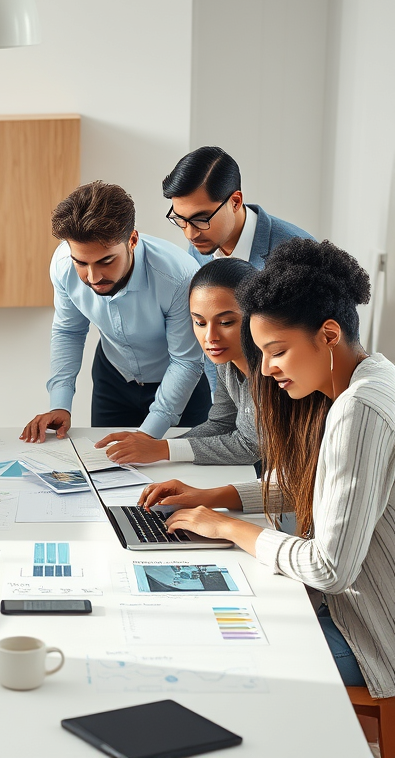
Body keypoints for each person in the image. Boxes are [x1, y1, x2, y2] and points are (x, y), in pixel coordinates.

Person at [138, 239, 395, 698]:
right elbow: (313, 485)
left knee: (206, 659)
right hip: (345, 609)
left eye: (277, 351)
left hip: (371, 634)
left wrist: (228, 528)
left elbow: (329, 569)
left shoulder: (358, 409)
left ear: (329, 335)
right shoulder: (371, 375)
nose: (269, 370)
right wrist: (211, 498)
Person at [21, 181, 210, 444]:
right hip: (113, 379)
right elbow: (69, 331)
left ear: (132, 239)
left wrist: (148, 435)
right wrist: (60, 404)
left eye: (106, 261)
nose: (93, 277)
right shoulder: (63, 264)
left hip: (181, 383)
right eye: (81, 262)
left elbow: (185, 361)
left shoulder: (179, 276)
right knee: (109, 472)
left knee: (182, 478)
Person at [95, 259, 261, 466]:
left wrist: (163, 449)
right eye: (199, 322)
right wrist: (155, 449)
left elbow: (251, 446)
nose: (210, 336)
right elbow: (221, 424)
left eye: (226, 322)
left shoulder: (272, 370)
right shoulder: (226, 362)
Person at [162, 146, 313, 269]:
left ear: (235, 202)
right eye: (180, 219)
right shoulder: (200, 241)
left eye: (201, 219)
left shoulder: (301, 257)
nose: (190, 234)